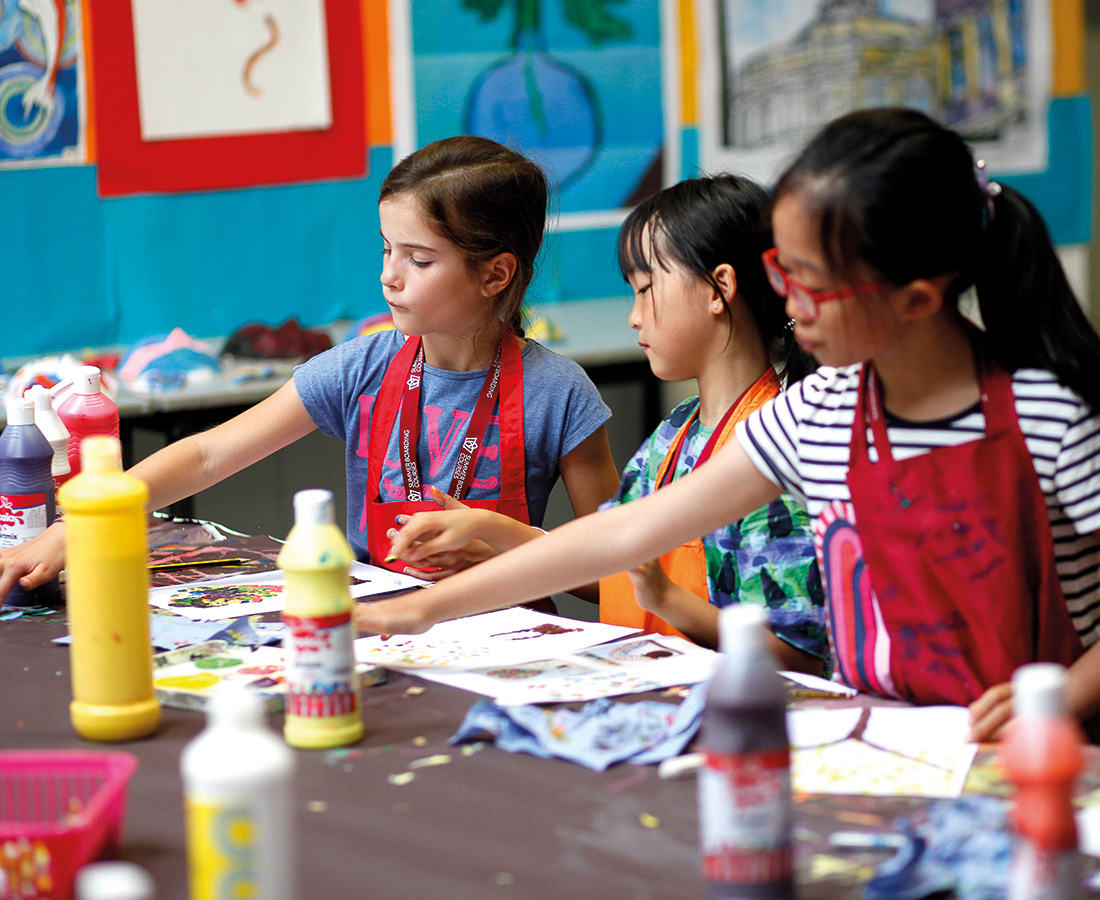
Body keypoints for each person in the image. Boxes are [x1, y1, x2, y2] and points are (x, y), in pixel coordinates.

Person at [356, 108, 1100, 743]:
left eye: (813, 282)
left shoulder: (1047, 420)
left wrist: (1061, 700)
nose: (791, 301)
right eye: (783, 270)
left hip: (1027, 753)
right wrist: (415, 610)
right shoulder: (822, 412)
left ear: (916, 298)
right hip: (884, 735)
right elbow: (625, 532)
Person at [0, 136, 621, 601]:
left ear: (495, 273)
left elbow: (615, 571)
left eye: (420, 259)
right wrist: (76, 527)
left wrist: (504, 543)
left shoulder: (558, 392)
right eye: (386, 249)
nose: (389, 275)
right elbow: (207, 455)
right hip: (371, 626)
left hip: (508, 639)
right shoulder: (363, 368)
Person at [387, 175, 825, 672]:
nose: (634, 317)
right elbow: (606, 556)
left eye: (645, 289)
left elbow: (803, 658)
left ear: (718, 288)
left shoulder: (776, 450)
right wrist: (493, 531)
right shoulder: (675, 433)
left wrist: (665, 599)